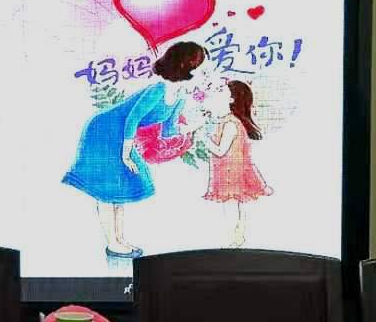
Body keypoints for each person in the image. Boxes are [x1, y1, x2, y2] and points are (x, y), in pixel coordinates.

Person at [62, 40, 207, 259]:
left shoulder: (179, 97)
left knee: (119, 188)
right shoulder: (158, 89)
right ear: (185, 66)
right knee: (107, 189)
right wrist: (126, 154)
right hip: (104, 131)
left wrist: (192, 127)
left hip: (121, 136)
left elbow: (168, 130)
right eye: (200, 67)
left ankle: (119, 240)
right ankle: (113, 243)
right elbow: (132, 119)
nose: (204, 73)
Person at [200, 80, 272, 247]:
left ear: (231, 99)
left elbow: (220, 151)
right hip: (225, 170)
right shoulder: (225, 121)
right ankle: (236, 238)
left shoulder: (231, 124)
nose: (217, 93)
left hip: (230, 173)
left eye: (221, 91)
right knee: (232, 206)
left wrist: (202, 138)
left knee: (231, 206)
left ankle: (232, 240)